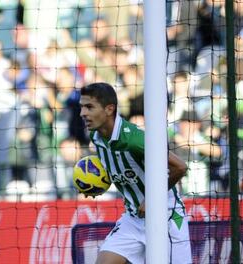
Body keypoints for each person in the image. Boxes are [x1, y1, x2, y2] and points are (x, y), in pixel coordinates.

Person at [79, 82, 192, 264]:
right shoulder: (95, 136)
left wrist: (152, 199)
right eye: (82, 107)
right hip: (133, 218)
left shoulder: (135, 139)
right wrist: (93, 184)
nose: (83, 113)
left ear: (109, 109)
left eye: (89, 107)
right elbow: (117, 166)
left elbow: (180, 167)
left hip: (167, 217)